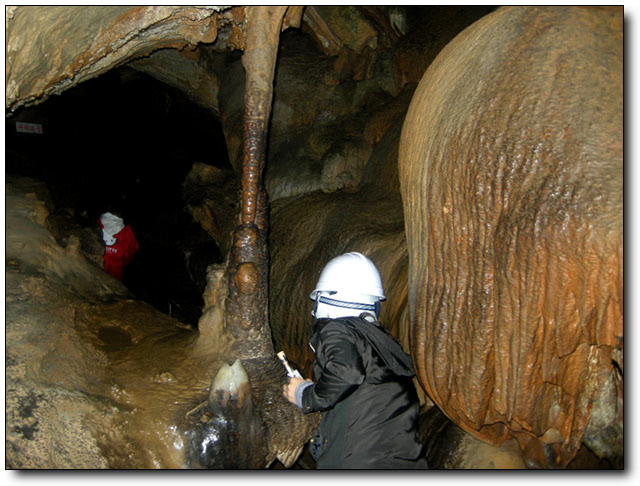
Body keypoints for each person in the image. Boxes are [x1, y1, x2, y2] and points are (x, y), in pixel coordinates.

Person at [283, 252, 428, 469]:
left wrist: (305, 395)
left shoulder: (336, 329)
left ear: (323, 298)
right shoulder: (384, 344)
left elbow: (347, 373)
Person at [98, 211, 138, 281]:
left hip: (94, 273)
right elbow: (128, 259)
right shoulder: (127, 234)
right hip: (114, 276)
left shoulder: (95, 225)